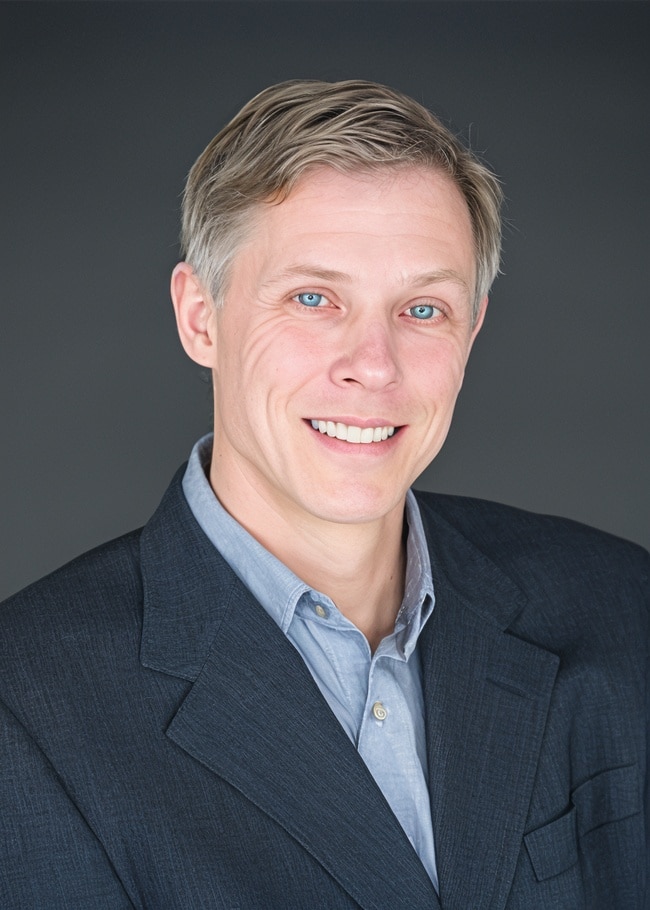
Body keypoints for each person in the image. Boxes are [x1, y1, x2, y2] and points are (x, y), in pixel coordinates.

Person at [0, 80, 647, 910]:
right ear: (201, 317)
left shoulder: (624, 607)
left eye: (423, 308)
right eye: (314, 298)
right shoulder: (26, 707)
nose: (373, 365)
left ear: (474, 328)